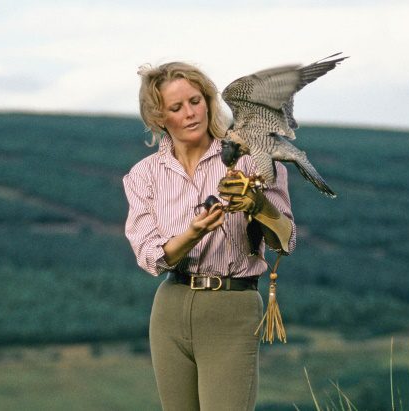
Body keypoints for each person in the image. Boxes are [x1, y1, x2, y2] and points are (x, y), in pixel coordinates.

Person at [122, 61, 296, 411]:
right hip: (170, 307)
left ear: (209, 101)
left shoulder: (249, 158)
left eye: (196, 101)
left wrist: (258, 205)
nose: (190, 113)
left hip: (232, 307)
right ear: (159, 118)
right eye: (176, 107)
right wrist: (193, 234)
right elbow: (150, 257)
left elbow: (285, 240)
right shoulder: (144, 175)